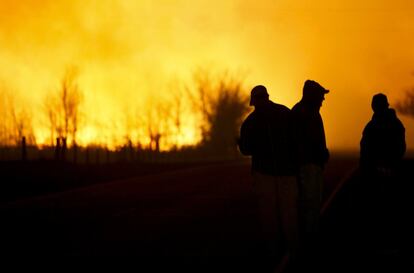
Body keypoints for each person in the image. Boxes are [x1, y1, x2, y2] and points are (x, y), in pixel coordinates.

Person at [238, 85, 299, 260]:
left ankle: (275, 253)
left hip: (265, 175)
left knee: (270, 216)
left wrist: (240, 144)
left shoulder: (250, 122)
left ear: (254, 101)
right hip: (286, 173)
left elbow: (246, 149)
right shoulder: (285, 113)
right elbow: (296, 140)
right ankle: (292, 253)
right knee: (288, 214)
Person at [359, 93, 406, 246]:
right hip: (389, 174)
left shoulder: (371, 127)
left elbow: (364, 152)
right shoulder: (396, 125)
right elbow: (401, 149)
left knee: (381, 212)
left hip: (379, 176)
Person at [291, 80, 329, 252]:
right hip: (307, 166)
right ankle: (307, 242)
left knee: (313, 203)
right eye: (320, 96)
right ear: (312, 96)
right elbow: (300, 143)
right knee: (308, 203)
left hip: (313, 165)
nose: (323, 99)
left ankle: (310, 237)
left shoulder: (310, 112)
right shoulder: (302, 113)